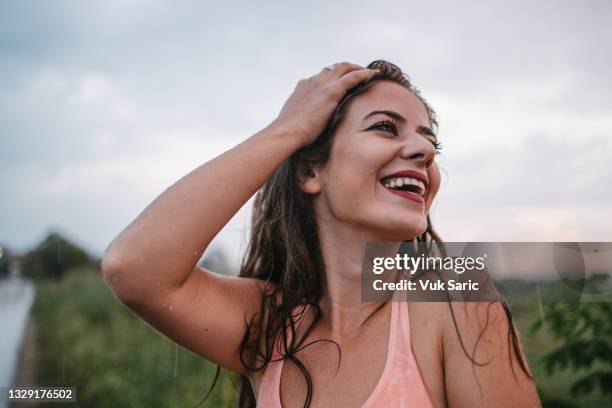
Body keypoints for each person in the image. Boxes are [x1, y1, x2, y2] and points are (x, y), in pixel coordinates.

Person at [101, 60, 541, 407]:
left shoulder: (457, 301)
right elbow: (134, 268)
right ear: (312, 170)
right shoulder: (270, 326)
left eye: (431, 142)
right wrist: (287, 130)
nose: (424, 150)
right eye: (386, 127)